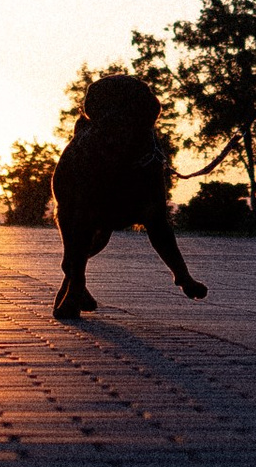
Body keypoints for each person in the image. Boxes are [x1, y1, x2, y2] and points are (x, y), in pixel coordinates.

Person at [51, 72, 208, 322]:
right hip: (83, 188)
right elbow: (79, 226)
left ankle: (182, 275)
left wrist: (182, 274)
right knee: (81, 232)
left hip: (135, 177)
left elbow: (159, 226)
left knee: (155, 221)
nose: (118, 122)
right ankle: (74, 286)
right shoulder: (84, 153)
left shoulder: (150, 160)